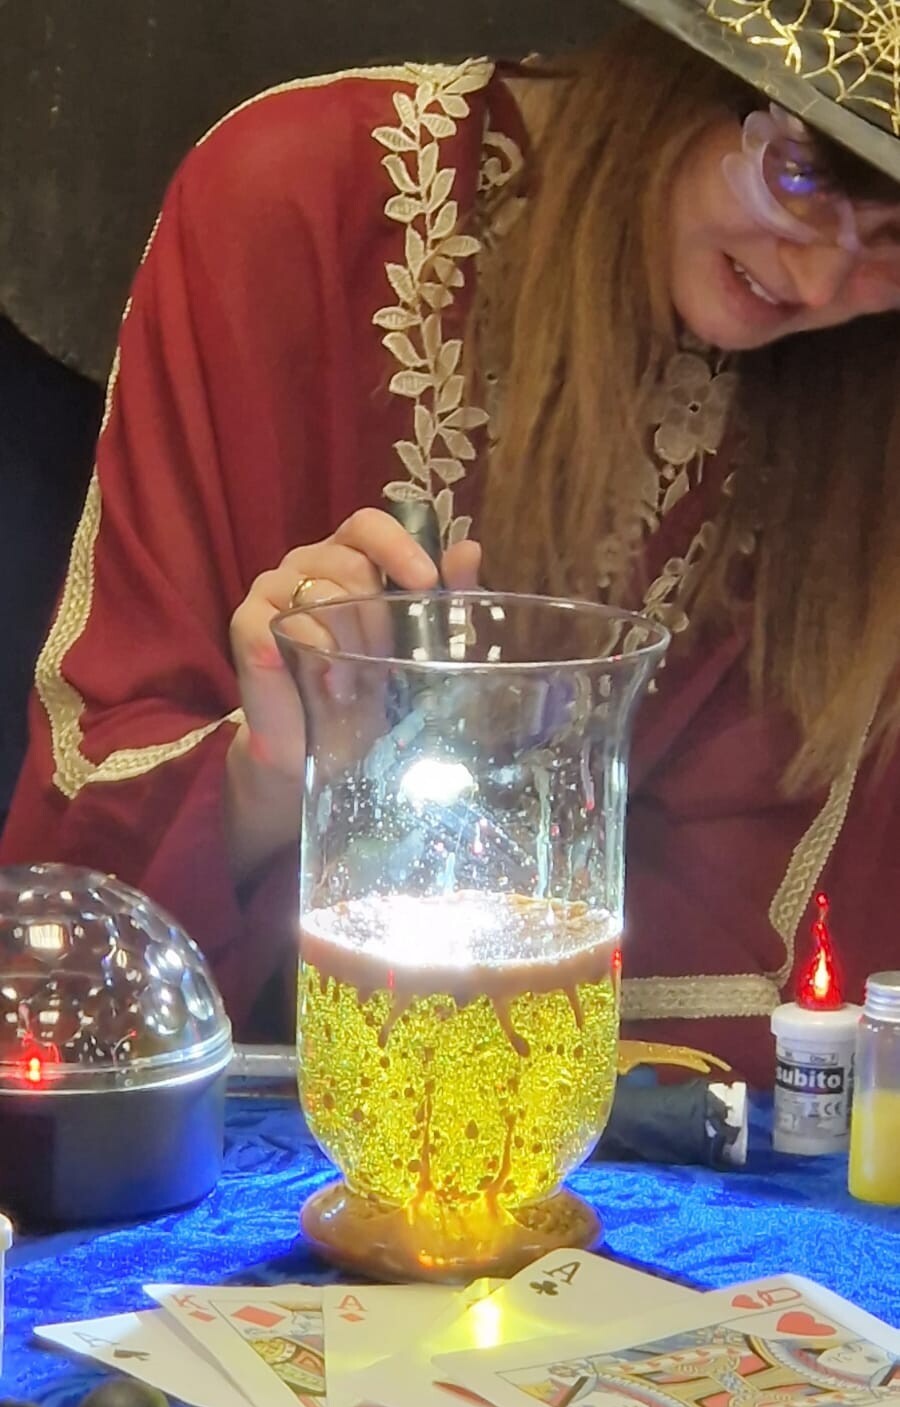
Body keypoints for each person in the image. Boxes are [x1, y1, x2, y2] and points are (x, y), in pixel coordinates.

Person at [2, 2, 899, 1087]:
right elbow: (72, 913)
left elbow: (833, 971)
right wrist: (276, 768)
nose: (818, 280)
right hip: (261, 1117)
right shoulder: (298, 202)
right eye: (798, 177)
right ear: (688, 68)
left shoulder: (870, 425)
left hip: (676, 1145)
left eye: (894, 238)